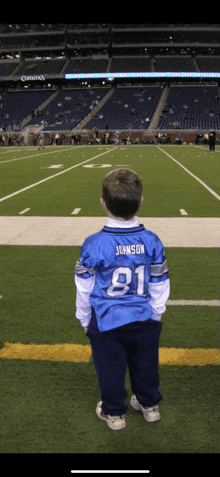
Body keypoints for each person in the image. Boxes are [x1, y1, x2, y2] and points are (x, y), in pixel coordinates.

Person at [74, 169, 170, 431]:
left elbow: (84, 287)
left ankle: (115, 413)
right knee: (146, 363)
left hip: (107, 320)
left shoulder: (94, 244)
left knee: (110, 368)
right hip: (144, 316)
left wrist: (83, 317)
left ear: (102, 203)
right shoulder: (151, 241)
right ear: (141, 201)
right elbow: (160, 283)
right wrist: (156, 314)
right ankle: (149, 406)